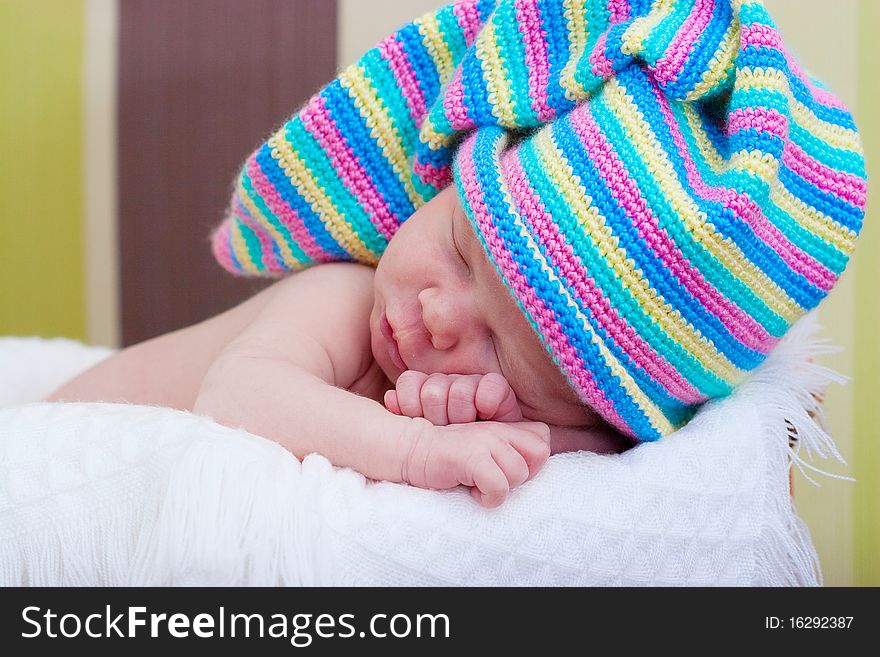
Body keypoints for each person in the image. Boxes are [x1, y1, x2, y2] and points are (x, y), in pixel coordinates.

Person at [48, 0, 866, 506]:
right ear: (445, 186)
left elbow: (576, 446)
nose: (440, 315)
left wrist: (524, 429)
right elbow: (237, 394)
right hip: (50, 464)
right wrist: (417, 450)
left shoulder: (530, 409)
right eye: (461, 247)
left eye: (508, 354)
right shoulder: (342, 292)